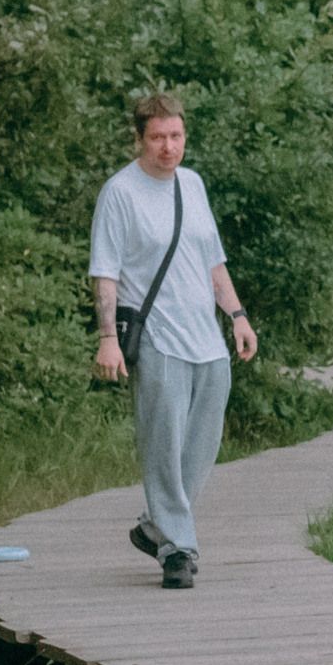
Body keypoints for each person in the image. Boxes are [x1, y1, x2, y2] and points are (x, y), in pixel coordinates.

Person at [90, 94, 259, 589]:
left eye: (177, 136)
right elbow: (104, 275)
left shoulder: (193, 184)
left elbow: (212, 262)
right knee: (163, 444)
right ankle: (177, 550)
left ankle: (153, 526)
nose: (169, 147)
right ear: (139, 139)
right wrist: (107, 339)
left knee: (202, 447)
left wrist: (238, 316)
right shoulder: (120, 193)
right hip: (159, 337)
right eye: (159, 137)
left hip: (207, 338)